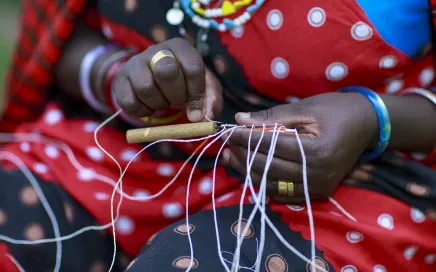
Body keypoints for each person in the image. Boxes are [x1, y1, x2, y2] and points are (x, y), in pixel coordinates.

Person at [0, 0, 435, 271]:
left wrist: (373, 118)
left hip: (345, 193)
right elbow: (60, 37)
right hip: (116, 160)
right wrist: (113, 74)